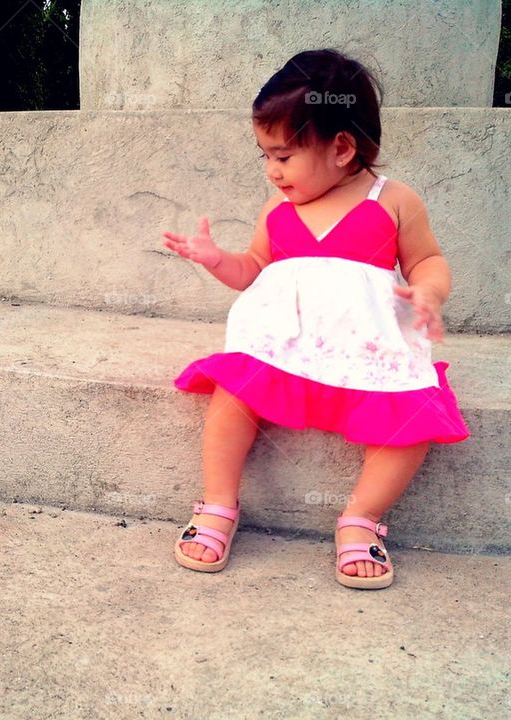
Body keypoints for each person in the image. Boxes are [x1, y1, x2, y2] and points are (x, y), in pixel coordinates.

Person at [161, 48, 471, 589]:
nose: (271, 170)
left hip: (368, 349)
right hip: (285, 347)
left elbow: (428, 260)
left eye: (282, 156)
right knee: (232, 396)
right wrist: (217, 260)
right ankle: (217, 503)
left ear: (342, 148)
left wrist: (427, 292)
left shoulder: (392, 199)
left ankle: (360, 516)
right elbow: (252, 268)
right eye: (263, 155)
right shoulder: (277, 209)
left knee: (410, 426)